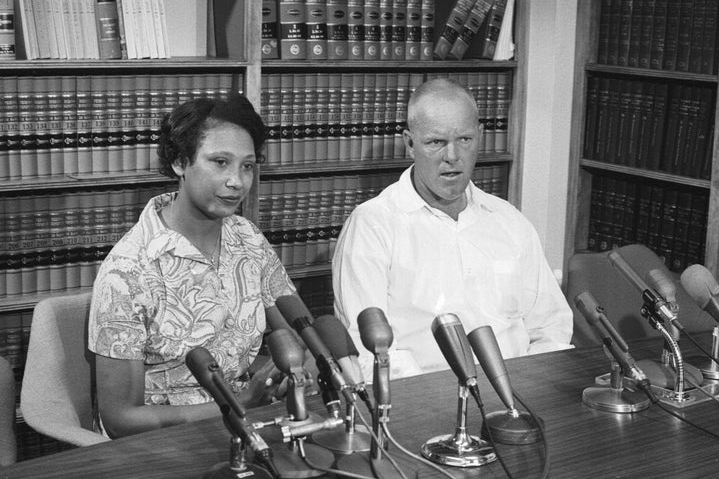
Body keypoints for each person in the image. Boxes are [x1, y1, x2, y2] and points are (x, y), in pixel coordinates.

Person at [88, 94, 307, 438]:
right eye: (220, 162)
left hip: (251, 424)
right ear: (179, 162)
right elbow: (120, 418)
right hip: (163, 442)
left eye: (247, 165)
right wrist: (242, 402)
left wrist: (287, 377)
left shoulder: (247, 238)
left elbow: (299, 333)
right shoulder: (127, 271)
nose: (237, 181)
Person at [332, 78, 573, 380]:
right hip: (425, 403)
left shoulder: (509, 220)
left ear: (480, 137)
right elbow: (369, 351)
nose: (452, 156)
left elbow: (551, 327)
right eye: (436, 142)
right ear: (409, 143)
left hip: (520, 393)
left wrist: (532, 389)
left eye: (464, 139)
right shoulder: (372, 225)